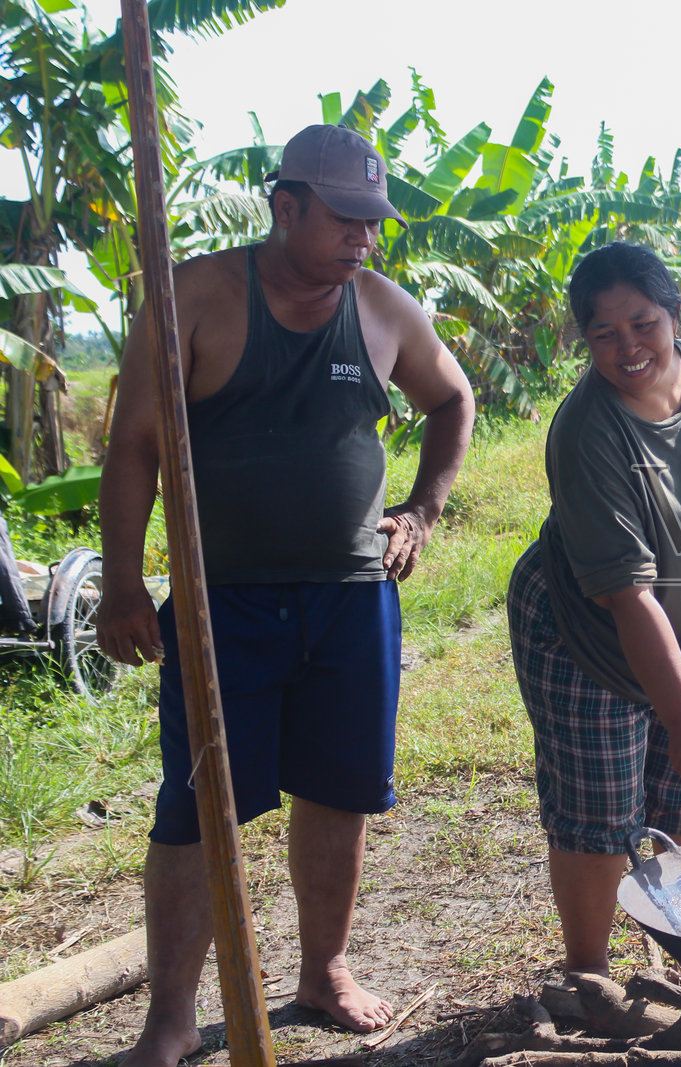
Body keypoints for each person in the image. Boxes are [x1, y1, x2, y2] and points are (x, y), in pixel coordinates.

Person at [97, 124, 475, 1067]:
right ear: (287, 205)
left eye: (374, 223)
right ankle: (173, 1017)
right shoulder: (194, 297)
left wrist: (422, 510)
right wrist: (118, 584)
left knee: (338, 791)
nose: (364, 239)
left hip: (350, 598)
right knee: (196, 806)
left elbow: (452, 400)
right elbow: (135, 447)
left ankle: (324, 969)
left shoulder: (382, 308)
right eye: (345, 218)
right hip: (222, 601)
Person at [506, 241, 681, 976]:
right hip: (586, 639)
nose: (628, 346)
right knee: (600, 820)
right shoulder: (587, 432)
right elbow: (628, 599)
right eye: (604, 333)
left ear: (674, 314)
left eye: (643, 322)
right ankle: (587, 974)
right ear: (584, 341)